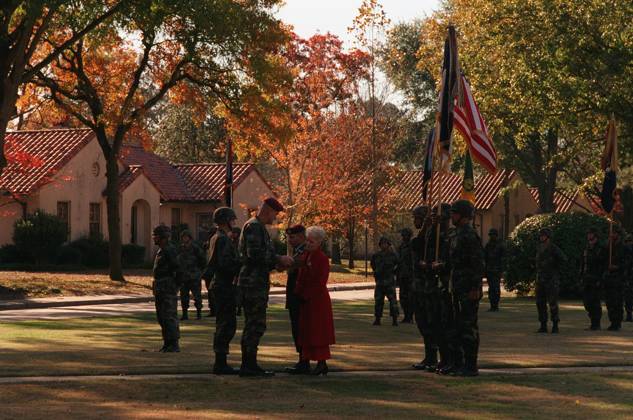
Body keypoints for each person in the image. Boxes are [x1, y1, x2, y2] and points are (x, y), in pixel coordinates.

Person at [238, 197, 294, 377]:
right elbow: (254, 254)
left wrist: (276, 263)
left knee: (256, 324)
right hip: (253, 283)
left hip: (257, 281)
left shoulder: (258, 227)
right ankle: (248, 365)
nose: (275, 218)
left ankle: (250, 364)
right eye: (275, 214)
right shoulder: (254, 227)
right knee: (254, 324)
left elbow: (264, 255)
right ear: (268, 210)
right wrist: (278, 259)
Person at [202, 207, 242, 374]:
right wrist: (241, 264)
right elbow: (226, 264)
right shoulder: (223, 239)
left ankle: (221, 361)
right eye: (232, 220)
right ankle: (220, 362)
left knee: (223, 323)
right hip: (223, 284)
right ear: (226, 221)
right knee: (226, 324)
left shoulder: (216, 237)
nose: (234, 222)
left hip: (219, 284)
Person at [448, 200, 484, 377]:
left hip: (468, 288)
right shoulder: (456, 234)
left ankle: (471, 365)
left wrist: (475, 287)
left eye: (454, 213)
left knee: (468, 326)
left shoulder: (470, 235)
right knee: (458, 327)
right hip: (457, 286)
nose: (451, 216)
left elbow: (477, 264)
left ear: (463, 215)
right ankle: (459, 363)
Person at [414, 204, 451, 373]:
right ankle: (430, 356)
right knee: (423, 322)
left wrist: (432, 266)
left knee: (437, 324)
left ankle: (443, 359)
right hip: (423, 285)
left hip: (438, 286)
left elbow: (447, 261)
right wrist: (427, 227)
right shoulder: (429, 234)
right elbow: (417, 246)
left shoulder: (446, 235)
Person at [295, 226, 335, 376]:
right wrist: (299, 292)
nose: (309, 243)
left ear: (319, 242)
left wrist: (306, 294)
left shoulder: (322, 258)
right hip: (306, 298)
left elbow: (320, 282)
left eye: (312, 241)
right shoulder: (306, 255)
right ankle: (309, 361)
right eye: (308, 241)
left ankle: (321, 362)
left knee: (318, 332)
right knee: (307, 331)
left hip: (317, 300)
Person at [151, 225, 181, 353]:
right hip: (160, 287)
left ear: (163, 237)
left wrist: (175, 286)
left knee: (169, 316)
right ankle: (167, 343)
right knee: (162, 316)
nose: (154, 238)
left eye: (156, 235)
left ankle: (173, 344)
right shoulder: (162, 250)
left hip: (167, 287)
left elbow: (178, 269)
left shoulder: (169, 250)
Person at [284, 224, 309, 374]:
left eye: (292, 237)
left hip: (299, 296)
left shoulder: (305, 251)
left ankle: (304, 360)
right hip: (294, 295)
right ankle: (301, 359)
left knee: (300, 328)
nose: (289, 240)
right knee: (296, 328)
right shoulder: (297, 250)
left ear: (301, 236)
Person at [535, 228, 567, 334]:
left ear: (548, 237)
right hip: (541, 279)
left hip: (551, 280)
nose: (541, 237)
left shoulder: (553, 248)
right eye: (541, 236)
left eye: (543, 236)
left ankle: (555, 325)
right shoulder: (539, 248)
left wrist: (555, 268)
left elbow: (563, 259)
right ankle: (543, 325)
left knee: (552, 303)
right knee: (540, 303)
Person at [580, 228, 607, 330]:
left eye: (591, 234)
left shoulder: (601, 249)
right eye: (588, 234)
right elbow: (582, 264)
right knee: (587, 302)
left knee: (595, 301)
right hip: (586, 279)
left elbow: (603, 265)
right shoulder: (586, 248)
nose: (589, 236)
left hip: (596, 279)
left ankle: (596, 323)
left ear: (595, 236)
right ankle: (592, 321)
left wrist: (600, 279)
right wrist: (581, 276)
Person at [177, 230, 206, 320]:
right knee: (184, 296)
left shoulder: (195, 248)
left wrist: (199, 271)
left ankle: (199, 313)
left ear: (190, 237)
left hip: (194, 276)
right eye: (183, 237)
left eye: (186, 237)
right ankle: (185, 314)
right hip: (184, 276)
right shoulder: (180, 248)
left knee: (197, 295)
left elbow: (203, 260)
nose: (185, 238)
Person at [370, 237, 400, 326]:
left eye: (385, 243)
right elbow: (373, 265)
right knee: (378, 300)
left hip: (389, 281)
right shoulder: (376, 255)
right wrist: (376, 272)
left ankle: (395, 319)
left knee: (393, 301)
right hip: (379, 281)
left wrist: (393, 273)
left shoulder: (393, 255)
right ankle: (377, 319)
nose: (383, 245)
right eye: (382, 243)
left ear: (388, 244)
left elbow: (398, 264)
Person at [604, 227, 627, 331]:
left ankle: (617, 322)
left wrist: (617, 267)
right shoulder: (609, 246)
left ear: (618, 234)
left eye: (614, 233)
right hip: (609, 277)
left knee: (617, 301)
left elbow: (627, 263)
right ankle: (612, 321)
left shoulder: (624, 248)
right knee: (609, 301)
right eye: (611, 233)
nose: (612, 235)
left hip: (619, 277)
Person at [484, 228, 505, 312]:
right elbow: (485, 257)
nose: (492, 236)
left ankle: (495, 305)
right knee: (491, 288)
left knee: (495, 288)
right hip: (489, 270)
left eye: (493, 235)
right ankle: (492, 304)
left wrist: (502, 269)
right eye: (490, 235)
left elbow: (503, 258)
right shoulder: (488, 245)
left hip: (497, 270)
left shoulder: (500, 245)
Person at [397, 228, 415, 323]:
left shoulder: (412, 246)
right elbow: (398, 261)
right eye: (403, 235)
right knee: (403, 297)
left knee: (410, 297)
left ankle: (410, 316)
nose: (404, 237)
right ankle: (406, 316)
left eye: (405, 235)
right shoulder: (401, 247)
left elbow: (414, 261)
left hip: (410, 275)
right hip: (402, 275)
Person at [202, 225, 218, 317]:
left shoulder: (219, 242)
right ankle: (213, 309)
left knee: (215, 292)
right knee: (210, 292)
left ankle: (216, 309)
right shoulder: (207, 245)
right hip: (209, 271)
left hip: (215, 271)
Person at [230, 227, 243, 317]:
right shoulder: (230, 243)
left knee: (238, 291)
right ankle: (235, 307)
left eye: (235, 233)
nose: (233, 234)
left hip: (239, 270)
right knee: (234, 291)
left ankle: (239, 308)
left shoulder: (240, 243)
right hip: (233, 269)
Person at [624, 234, 633, 322]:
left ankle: (629, 314)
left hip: (629, 276)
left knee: (629, 296)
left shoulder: (628, 250)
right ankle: (629, 314)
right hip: (628, 276)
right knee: (628, 296)